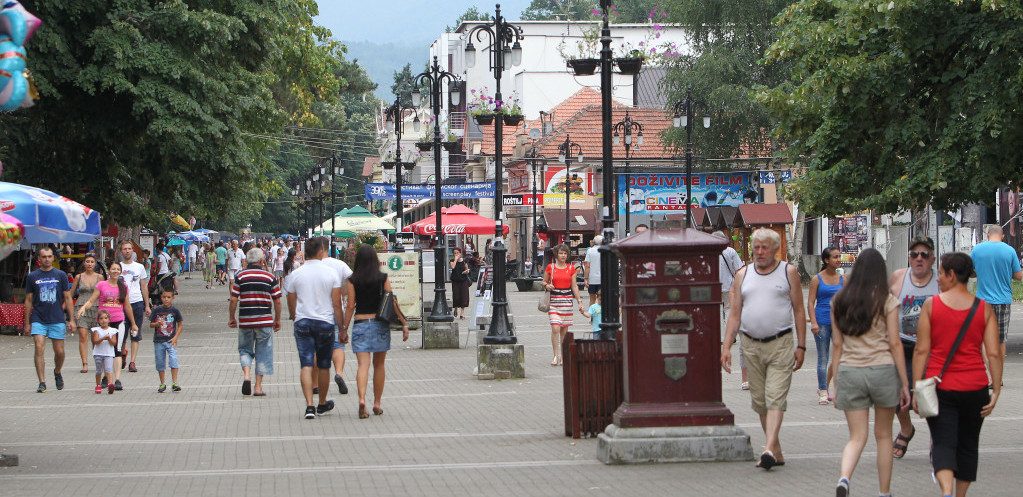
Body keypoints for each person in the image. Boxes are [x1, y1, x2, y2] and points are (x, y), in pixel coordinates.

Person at [913, 252, 1002, 497]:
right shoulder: (983, 308)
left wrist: (917, 387)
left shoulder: (932, 305)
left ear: (952, 275)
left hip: (940, 388)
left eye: (940, 273)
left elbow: (921, 349)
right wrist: (996, 390)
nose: (938, 278)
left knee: (942, 442)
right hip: (976, 388)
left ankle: (946, 492)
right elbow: (993, 353)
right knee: (968, 445)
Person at [720, 228, 807, 470]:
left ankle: (768, 448)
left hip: (781, 343)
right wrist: (726, 345)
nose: (759, 252)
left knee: (775, 396)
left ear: (775, 249)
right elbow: (735, 313)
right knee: (759, 401)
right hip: (750, 344)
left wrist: (801, 345)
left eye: (764, 247)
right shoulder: (743, 274)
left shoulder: (788, 272)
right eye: (756, 247)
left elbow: (799, 310)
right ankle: (776, 449)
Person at [830, 248, 910, 497]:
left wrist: (834, 381)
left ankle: (844, 478)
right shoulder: (887, 300)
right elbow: (896, 343)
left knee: (857, 437)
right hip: (883, 370)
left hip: (851, 372)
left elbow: (838, 345)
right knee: (884, 435)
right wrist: (905, 384)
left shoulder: (839, 301)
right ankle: (884, 493)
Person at [888, 236, 938, 459]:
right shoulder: (899, 277)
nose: (919, 258)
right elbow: (885, 309)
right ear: (909, 257)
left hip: (931, 348)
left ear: (932, 258)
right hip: (902, 345)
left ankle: (936, 438)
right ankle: (906, 428)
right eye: (914, 254)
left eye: (924, 254)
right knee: (897, 396)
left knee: (930, 396)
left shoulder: (941, 281)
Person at [345, 244, 409, 419]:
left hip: (360, 323)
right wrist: (403, 323)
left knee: (362, 365)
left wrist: (343, 328)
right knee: (379, 365)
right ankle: (377, 403)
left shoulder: (352, 280)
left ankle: (361, 399)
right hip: (380, 324)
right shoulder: (383, 278)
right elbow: (392, 301)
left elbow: (350, 306)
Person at [284, 237, 343, 419]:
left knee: (306, 363)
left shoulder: (296, 274)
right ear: (320, 252)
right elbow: (336, 304)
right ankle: (322, 403)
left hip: (303, 322)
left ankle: (309, 405)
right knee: (324, 365)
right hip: (325, 322)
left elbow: (290, 301)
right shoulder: (331, 273)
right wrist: (342, 327)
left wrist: (295, 317)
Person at [76, 261, 138, 391]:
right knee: (105, 350)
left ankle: (117, 379)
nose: (115, 271)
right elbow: (92, 300)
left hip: (119, 321)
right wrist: (83, 307)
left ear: (120, 272)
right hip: (104, 322)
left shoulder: (123, 286)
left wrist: (133, 323)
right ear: (108, 271)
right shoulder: (101, 285)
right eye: (113, 269)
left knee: (117, 350)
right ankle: (106, 376)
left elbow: (127, 305)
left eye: (117, 269)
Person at [229, 248, 282, 397]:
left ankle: (247, 375)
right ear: (262, 260)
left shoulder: (240, 276)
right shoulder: (269, 277)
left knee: (245, 350)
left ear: (246, 260)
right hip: (264, 320)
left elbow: (234, 298)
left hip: (245, 320)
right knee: (263, 352)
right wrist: (277, 319)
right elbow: (277, 300)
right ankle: (258, 387)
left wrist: (232, 317)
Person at [24, 246, 76, 393]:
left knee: (59, 351)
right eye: (44, 257)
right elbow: (28, 300)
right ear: (39, 259)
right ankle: (42, 381)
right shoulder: (32, 276)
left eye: (49, 256)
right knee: (39, 347)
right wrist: (26, 322)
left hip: (57, 317)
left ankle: (57, 371)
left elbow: (67, 297)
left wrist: (71, 320)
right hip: (38, 317)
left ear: (53, 258)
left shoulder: (60, 275)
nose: (47, 259)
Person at [970, 225, 1022, 361]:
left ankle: (988, 373)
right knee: (1001, 339)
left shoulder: (977, 250)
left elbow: (969, 271)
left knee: (984, 338)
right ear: (1003, 236)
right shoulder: (1010, 251)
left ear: (987, 235)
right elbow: (1018, 275)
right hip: (1003, 300)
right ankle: (997, 376)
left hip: (982, 301)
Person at [808, 246, 843, 405]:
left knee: (839, 357)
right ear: (826, 260)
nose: (838, 260)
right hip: (822, 322)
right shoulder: (817, 279)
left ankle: (835, 389)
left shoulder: (843, 279)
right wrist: (813, 322)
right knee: (823, 358)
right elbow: (810, 302)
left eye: (839, 256)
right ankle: (823, 390)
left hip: (839, 323)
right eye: (835, 257)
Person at [319, 237, 353, 396]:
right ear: (328, 248)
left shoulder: (312, 265)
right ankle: (339, 372)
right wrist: (344, 293)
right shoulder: (339, 264)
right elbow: (351, 281)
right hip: (336, 308)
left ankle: (314, 383)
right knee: (338, 345)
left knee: (315, 347)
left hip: (317, 311)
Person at [714, 231, 748, 390]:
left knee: (717, 311)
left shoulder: (710, 250)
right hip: (730, 287)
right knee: (729, 310)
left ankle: (721, 335)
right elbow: (739, 269)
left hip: (714, 285)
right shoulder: (730, 251)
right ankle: (730, 336)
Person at [543, 244, 586, 366]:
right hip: (554, 300)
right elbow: (543, 281)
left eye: (565, 253)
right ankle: (555, 355)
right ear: (557, 254)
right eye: (561, 253)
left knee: (564, 331)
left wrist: (579, 301)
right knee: (555, 328)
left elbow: (574, 286)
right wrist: (547, 285)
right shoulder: (550, 267)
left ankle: (563, 356)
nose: (563, 256)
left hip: (566, 300)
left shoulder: (571, 268)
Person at [117, 241, 150, 374]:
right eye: (124, 249)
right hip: (121, 303)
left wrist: (147, 305)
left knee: (135, 333)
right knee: (122, 333)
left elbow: (143, 286)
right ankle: (123, 353)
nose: (127, 251)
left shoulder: (139, 267)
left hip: (136, 302)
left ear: (133, 251)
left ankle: (133, 361)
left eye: (129, 249)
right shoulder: (117, 266)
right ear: (121, 251)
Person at [71, 255, 103, 374]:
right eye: (87, 262)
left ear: (95, 264)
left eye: (92, 262)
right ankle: (84, 363)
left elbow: (103, 292)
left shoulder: (100, 277)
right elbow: (70, 294)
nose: (89, 264)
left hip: (96, 308)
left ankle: (97, 360)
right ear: (84, 263)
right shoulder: (78, 277)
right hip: (81, 308)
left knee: (95, 337)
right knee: (83, 336)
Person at [91, 310, 119, 394]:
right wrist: (103, 338)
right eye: (101, 319)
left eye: (105, 318)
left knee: (109, 369)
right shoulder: (96, 330)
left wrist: (109, 338)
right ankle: (98, 385)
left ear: (109, 319)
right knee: (99, 370)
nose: (103, 320)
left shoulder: (112, 330)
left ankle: (110, 384)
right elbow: (96, 341)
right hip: (98, 353)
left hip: (109, 353)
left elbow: (114, 342)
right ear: (98, 321)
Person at [450, 247, 471, 320]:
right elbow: (453, 267)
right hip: (455, 281)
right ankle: (455, 309)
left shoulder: (464, 261)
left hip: (463, 281)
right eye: (455, 253)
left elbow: (467, 269)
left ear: (460, 253)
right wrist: (455, 259)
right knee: (456, 297)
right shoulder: (452, 260)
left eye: (457, 253)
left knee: (464, 297)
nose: (456, 254)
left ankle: (462, 313)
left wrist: (467, 271)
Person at [583, 235, 603, 307]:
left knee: (592, 298)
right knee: (602, 298)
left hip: (592, 278)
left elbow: (587, 266)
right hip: (603, 278)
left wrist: (586, 278)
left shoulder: (590, 251)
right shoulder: (605, 251)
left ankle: (592, 315)